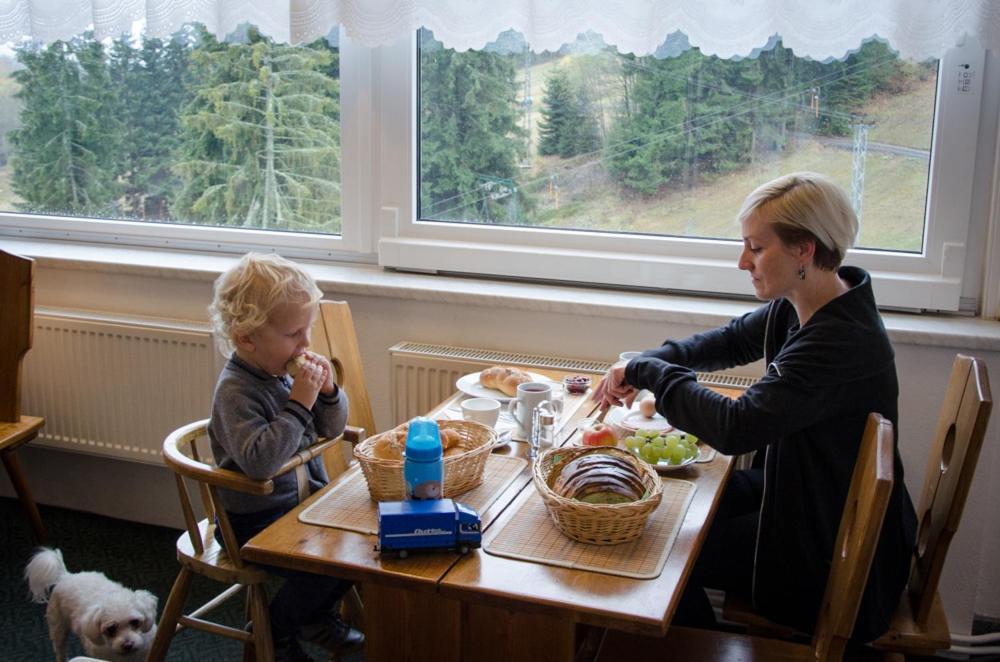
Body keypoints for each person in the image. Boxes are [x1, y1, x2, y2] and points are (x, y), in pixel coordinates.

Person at [595, 172, 917, 642]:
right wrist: (645, 361)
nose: (743, 260)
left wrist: (651, 373)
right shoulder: (815, 298)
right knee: (669, 509)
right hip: (798, 496)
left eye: (756, 247)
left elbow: (736, 427)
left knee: (658, 549)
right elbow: (729, 340)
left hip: (830, 550)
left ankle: (695, 646)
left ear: (803, 249)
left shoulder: (839, 342)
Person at [208, 252, 363, 661]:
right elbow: (260, 462)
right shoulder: (236, 392)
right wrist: (298, 404)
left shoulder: (281, 373)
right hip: (253, 520)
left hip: (302, 501)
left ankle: (316, 617)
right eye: (295, 333)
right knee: (319, 568)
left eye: (307, 329)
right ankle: (273, 632)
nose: (307, 343)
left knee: (361, 545)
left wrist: (328, 393)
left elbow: (330, 428)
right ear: (247, 338)